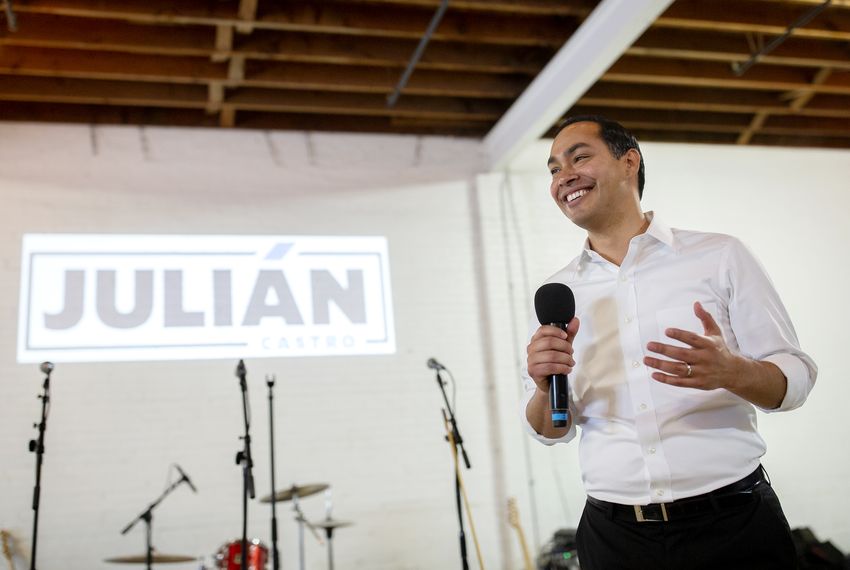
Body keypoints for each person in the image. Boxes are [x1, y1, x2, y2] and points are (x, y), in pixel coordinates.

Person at [522, 115, 816, 569]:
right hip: (614, 539)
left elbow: (795, 378)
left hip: (734, 527)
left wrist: (737, 372)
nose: (565, 177)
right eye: (554, 169)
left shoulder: (719, 256)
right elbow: (549, 430)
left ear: (629, 163)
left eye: (579, 157)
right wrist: (544, 391)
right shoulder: (557, 294)